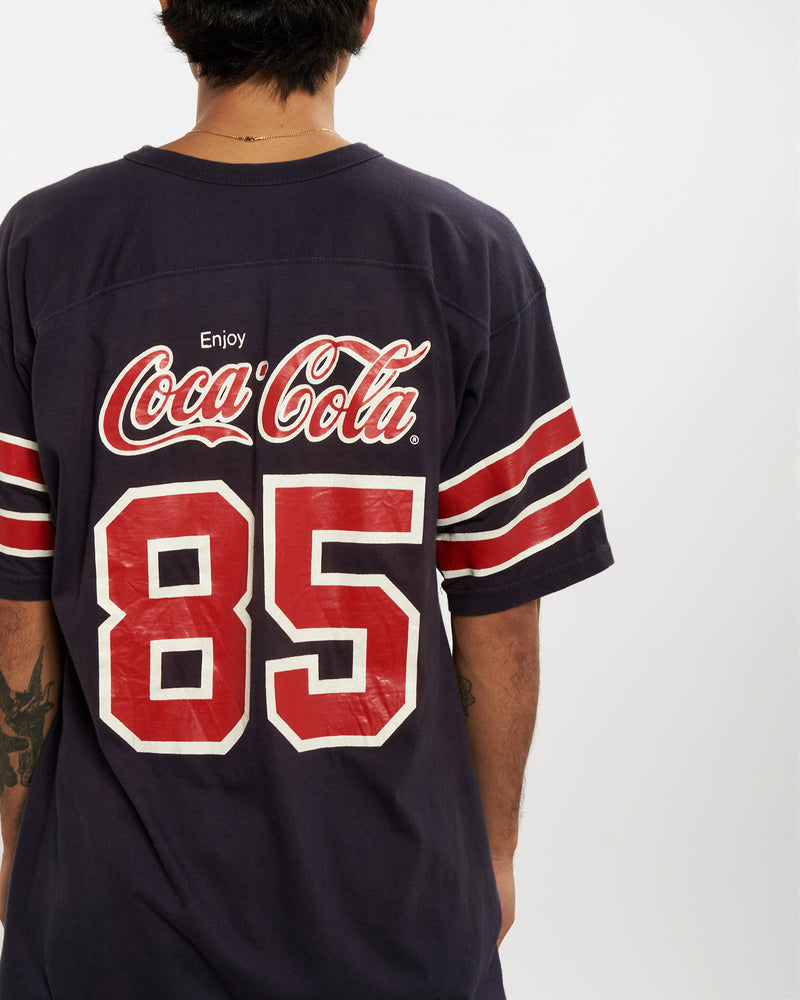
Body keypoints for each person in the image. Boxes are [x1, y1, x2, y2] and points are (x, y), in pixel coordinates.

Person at [0, 1, 613, 997]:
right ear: (364, 17)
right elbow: (498, 606)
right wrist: (491, 849)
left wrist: (23, 843)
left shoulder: (46, 245)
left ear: (174, 15)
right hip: (396, 904)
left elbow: (15, 598)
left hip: (113, 911)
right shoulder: (463, 249)